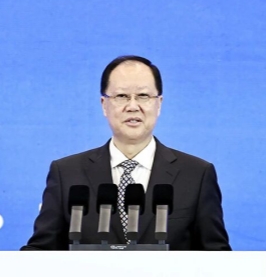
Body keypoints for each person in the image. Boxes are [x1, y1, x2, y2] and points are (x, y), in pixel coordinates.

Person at [22, 55, 231, 250]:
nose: (133, 106)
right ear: (104, 105)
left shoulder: (196, 175)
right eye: (121, 96)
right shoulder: (67, 173)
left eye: (143, 96)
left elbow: (218, 257)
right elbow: (40, 252)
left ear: (159, 104)